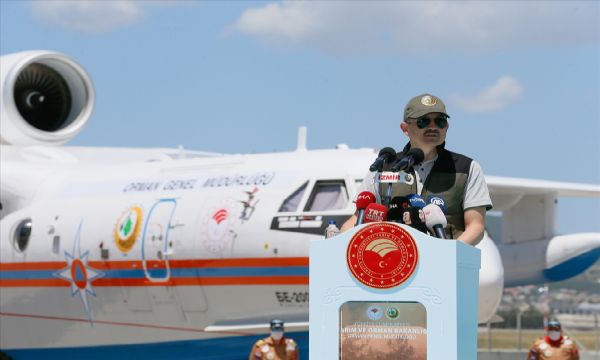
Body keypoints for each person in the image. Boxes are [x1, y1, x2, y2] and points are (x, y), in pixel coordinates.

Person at [341, 93, 492, 245]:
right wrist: (340, 242)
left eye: (440, 121)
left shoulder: (467, 168)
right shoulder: (383, 166)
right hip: (391, 263)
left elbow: (476, 226)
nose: (433, 127)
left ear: (446, 127)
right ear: (405, 128)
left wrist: (450, 255)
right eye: (423, 121)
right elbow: (356, 219)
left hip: (445, 265)